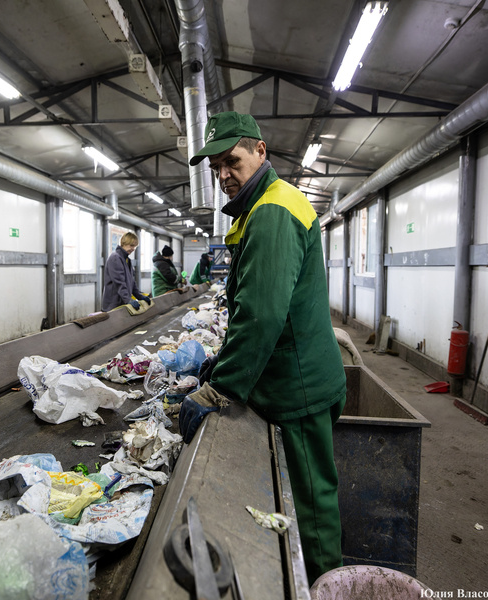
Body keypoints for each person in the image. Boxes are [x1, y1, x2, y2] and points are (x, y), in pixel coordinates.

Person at [178, 111, 346, 585]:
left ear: (260, 151)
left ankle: (324, 586)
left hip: (298, 388)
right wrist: (224, 361)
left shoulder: (272, 212)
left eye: (232, 161)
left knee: (312, 508)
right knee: (304, 494)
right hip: (290, 378)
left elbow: (261, 315)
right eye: (216, 168)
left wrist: (220, 387)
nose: (224, 175)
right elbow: (258, 305)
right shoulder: (263, 206)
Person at [102, 232, 151, 311]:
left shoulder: (127, 260)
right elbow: (119, 283)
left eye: (135, 246)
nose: (133, 249)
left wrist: (139, 296)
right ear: (123, 243)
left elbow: (132, 282)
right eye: (131, 245)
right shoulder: (115, 258)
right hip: (114, 305)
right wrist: (128, 300)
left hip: (123, 302)